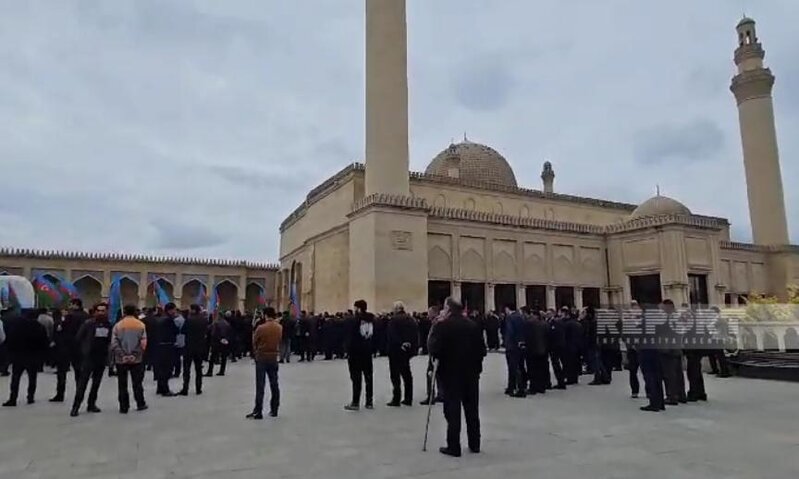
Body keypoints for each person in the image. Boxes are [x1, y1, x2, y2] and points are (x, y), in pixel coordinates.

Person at [429, 297, 487, 457]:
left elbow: (433, 349)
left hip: (450, 375)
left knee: (452, 411)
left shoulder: (442, 325)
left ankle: (454, 446)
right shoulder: (473, 325)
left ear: (448, 308)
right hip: (471, 375)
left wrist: (435, 326)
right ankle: (475, 443)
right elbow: (482, 350)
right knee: (472, 410)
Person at [70, 303, 112, 417]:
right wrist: (82, 352)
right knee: (82, 383)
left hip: (101, 357)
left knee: (96, 383)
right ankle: (76, 406)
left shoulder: (108, 325)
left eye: (103, 311)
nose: (101, 313)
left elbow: (110, 340)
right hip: (88, 357)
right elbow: (78, 338)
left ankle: (91, 403)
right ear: (95, 312)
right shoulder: (88, 324)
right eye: (99, 310)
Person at [3, 309, 49, 407]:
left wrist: (10, 352)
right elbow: (44, 342)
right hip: (33, 356)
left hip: (18, 355)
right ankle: (30, 397)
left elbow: (10, 338)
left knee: (15, 377)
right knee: (32, 377)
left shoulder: (17, 326)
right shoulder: (39, 327)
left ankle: (13, 398)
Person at [110, 304, 148, 413]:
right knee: (137, 382)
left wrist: (123, 355)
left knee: (122, 383)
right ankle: (140, 403)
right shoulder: (140, 325)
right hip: (136, 359)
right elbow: (143, 342)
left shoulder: (118, 325)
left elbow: (114, 343)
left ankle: (124, 406)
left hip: (121, 360)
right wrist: (134, 355)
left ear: (124, 312)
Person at [247, 307, 282, 419]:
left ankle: (258, 410)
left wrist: (256, 352)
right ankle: (274, 409)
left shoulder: (261, 328)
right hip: (273, 357)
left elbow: (254, 342)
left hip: (262, 357)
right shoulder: (279, 327)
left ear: (265, 315)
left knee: (260, 385)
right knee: (274, 383)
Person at [50, 298, 88, 402]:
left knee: (62, 372)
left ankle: (60, 394)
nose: (69, 307)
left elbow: (62, 330)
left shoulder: (70, 317)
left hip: (66, 347)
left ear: (75, 305)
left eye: (71, 304)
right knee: (79, 372)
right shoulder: (86, 316)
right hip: (80, 347)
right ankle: (80, 394)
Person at [386, 301, 419, 407]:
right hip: (407, 351)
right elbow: (415, 334)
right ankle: (408, 398)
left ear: (396, 309)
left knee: (395, 375)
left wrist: (400, 343)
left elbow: (392, 335)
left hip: (395, 350)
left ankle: (396, 398)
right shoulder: (411, 319)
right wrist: (410, 345)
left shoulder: (393, 320)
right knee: (407, 375)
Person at [344, 300, 374, 411]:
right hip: (367, 352)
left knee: (356, 379)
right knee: (369, 377)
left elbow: (349, 337)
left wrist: (347, 350)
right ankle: (369, 401)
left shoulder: (352, 320)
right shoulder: (372, 319)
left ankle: (355, 402)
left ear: (358, 308)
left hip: (355, 353)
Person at [180, 304, 208, 395]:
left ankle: (185, 388)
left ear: (193, 310)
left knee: (186, 369)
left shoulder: (188, 319)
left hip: (189, 346)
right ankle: (198, 388)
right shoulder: (204, 320)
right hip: (200, 347)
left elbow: (183, 331)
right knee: (198, 369)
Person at [154, 303, 179, 396]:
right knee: (167, 369)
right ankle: (165, 389)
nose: (175, 312)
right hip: (168, 346)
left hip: (159, 346)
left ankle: (160, 388)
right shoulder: (169, 320)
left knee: (161, 368)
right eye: (174, 310)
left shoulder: (160, 319)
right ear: (170, 310)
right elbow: (176, 331)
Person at [523, 310, 549, 395]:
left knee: (532, 370)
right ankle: (541, 387)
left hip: (532, 350)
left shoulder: (529, 324)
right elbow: (548, 337)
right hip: (543, 350)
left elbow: (527, 337)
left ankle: (533, 388)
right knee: (541, 369)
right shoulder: (545, 324)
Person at [503, 303, 526, 397]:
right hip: (519, 345)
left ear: (508, 309)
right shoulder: (520, 316)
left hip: (512, 346)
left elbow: (510, 332)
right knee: (519, 366)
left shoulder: (510, 318)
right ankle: (512, 387)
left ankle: (518, 389)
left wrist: (506, 343)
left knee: (513, 368)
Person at [206, 312, 232, 376]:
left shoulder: (216, 323)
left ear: (219, 316)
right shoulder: (227, 324)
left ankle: (210, 371)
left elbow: (213, 333)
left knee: (212, 358)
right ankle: (222, 371)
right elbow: (230, 333)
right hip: (225, 342)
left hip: (216, 342)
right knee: (223, 357)